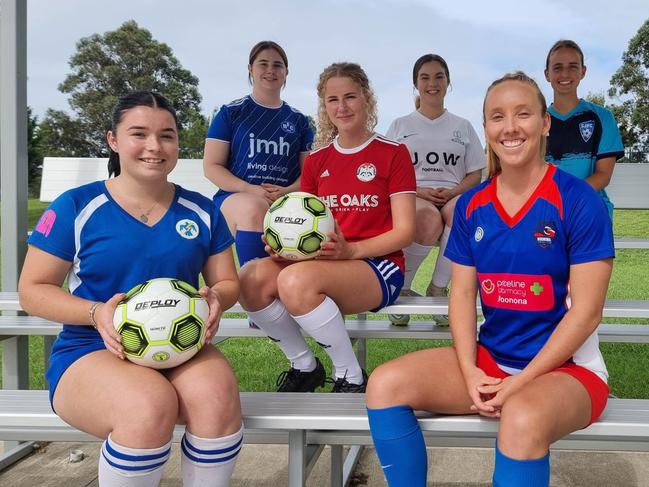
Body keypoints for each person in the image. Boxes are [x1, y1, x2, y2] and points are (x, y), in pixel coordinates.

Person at [366, 72, 614, 487]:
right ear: (485, 128)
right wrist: (469, 370)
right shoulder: (473, 206)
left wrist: (524, 381)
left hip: (568, 372)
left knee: (521, 417)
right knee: (384, 385)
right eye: (497, 117)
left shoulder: (578, 199)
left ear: (545, 122)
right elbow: (461, 294)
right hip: (492, 360)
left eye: (523, 114)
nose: (510, 127)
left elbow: (586, 314)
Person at [19, 91, 242, 487]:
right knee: (148, 405)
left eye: (167, 136)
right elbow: (33, 290)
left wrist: (217, 298)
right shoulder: (76, 205)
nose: (155, 147)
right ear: (113, 140)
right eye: (139, 133)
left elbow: (227, 282)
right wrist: (95, 312)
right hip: (91, 349)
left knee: (217, 396)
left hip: (182, 344)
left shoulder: (203, 210)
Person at [238, 62, 416, 393]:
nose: (342, 107)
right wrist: (286, 246)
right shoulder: (318, 162)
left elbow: (405, 231)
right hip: (324, 264)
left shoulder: (393, 154)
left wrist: (353, 250)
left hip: (379, 265)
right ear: (324, 105)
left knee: (295, 280)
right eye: (332, 100)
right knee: (250, 277)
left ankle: (351, 375)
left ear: (366, 98)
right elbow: (305, 224)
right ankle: (305, 365)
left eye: (350, 97)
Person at [386, 53, 485, 326]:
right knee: (427, 218)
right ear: (416, 84)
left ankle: (438, 289)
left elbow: (475, 172)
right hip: (415, 195)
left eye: (439, 76)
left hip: (453, 193)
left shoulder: (462, 126)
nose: (432, 83)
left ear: (448, 82)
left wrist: (454, 193)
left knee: (462, 211)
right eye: (425, 77)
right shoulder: (400, 125)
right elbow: (388, 172)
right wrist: (418, 190)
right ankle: (402, 288)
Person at [203, 40, 314, 269]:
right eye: (263, 64)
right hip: (236, 197)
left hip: (285, 198)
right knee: (254, 207)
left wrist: (286, 191)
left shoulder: (299, 121)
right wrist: (252, 189)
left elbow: (309, 175)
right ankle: (255, 291)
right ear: (250, 69)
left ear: (286, 72)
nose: (270, 70)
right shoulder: (231, 113)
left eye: (278, 65)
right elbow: (212, 167)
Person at [544, 39, 625, 218]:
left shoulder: (603, 117)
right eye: (557, 67)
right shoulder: (536, 122)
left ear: (583, 71)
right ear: (547, 74)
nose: (565, 73)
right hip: (547, 212)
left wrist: (568, 198)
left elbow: (603, 174)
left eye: (573, 66)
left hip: (590, 210)